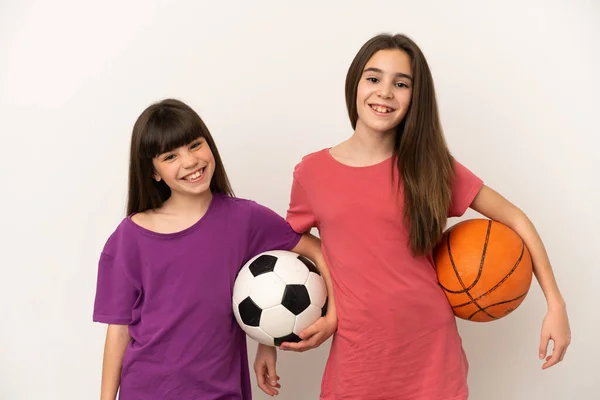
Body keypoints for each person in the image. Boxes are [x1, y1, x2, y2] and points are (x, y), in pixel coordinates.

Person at [279, 34, 571, 399]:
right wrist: (269, 339)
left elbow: (516, 218)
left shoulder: (430, 167)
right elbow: (286, 257)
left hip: (433, 360)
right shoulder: (312, 173)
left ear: (415, 98)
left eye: (400, 84)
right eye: (374, 78)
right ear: (355, 83)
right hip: (358, 365)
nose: (385, 92)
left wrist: (555, 304)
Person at [92, 99, 337, 400]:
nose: (190, 161)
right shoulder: (130, 238)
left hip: (221, 392)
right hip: (146, 390)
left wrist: (276, 336)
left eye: (195, 145)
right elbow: (119, 331)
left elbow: (313, 251)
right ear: (153, 172)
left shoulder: (244, 219)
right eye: (170, 156)